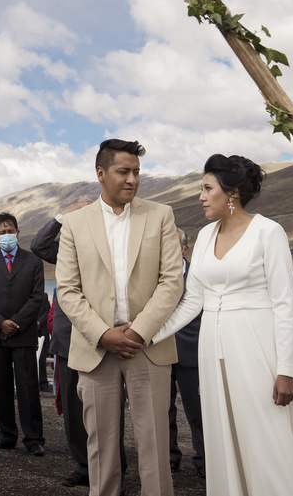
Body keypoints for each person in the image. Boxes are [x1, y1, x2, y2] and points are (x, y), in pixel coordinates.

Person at [152, 154, 293, 496]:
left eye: (207, 188)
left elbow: (284, 305)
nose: (200, 196)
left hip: (257, 351)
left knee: (267, 439)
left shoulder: (267, 232)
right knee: (226, 436)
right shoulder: (205, 235)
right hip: (213, 354)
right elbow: (192, 301)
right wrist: (148, 336)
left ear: (232, 193)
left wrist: (286, 371)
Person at [56, 139, 184, 496]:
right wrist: (103, 334)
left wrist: (139, 332)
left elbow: (172, 281)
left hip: (148, 348)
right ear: (101, 173)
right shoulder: (75, 223)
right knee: (100, 449)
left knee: (155, 444)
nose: (132, 179)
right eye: (124, 171)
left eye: (137, 172)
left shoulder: (161, 214)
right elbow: (67, 289)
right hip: (96, 350)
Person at [33, 200, 128, 489]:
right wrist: (62, 216)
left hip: (102, 335)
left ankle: (114, 468)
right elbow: (39, 246)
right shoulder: (66, 247)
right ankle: (84, 465)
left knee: (107, 410)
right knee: (74, 411)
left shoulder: (112, 243)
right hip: (67, 338)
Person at [0, 212, 46, 454]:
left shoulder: (33, 261)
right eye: (2, 232)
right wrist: (0, 323)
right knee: (0, 388)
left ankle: (34, 439)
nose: (7, 235)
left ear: (18, 233)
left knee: (28, 388)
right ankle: (6, 435)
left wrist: (15, 323)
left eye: (10, 231)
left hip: (23, 335)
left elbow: (37, 297)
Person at [167, 228, 204, 478]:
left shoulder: (198, 276)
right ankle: (169, 458)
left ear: (184, 249)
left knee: (198, 411)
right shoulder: (155, 275)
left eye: (174, 245)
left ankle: (204, 460)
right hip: (160, 353)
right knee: (163, 410)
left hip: (191, 353)